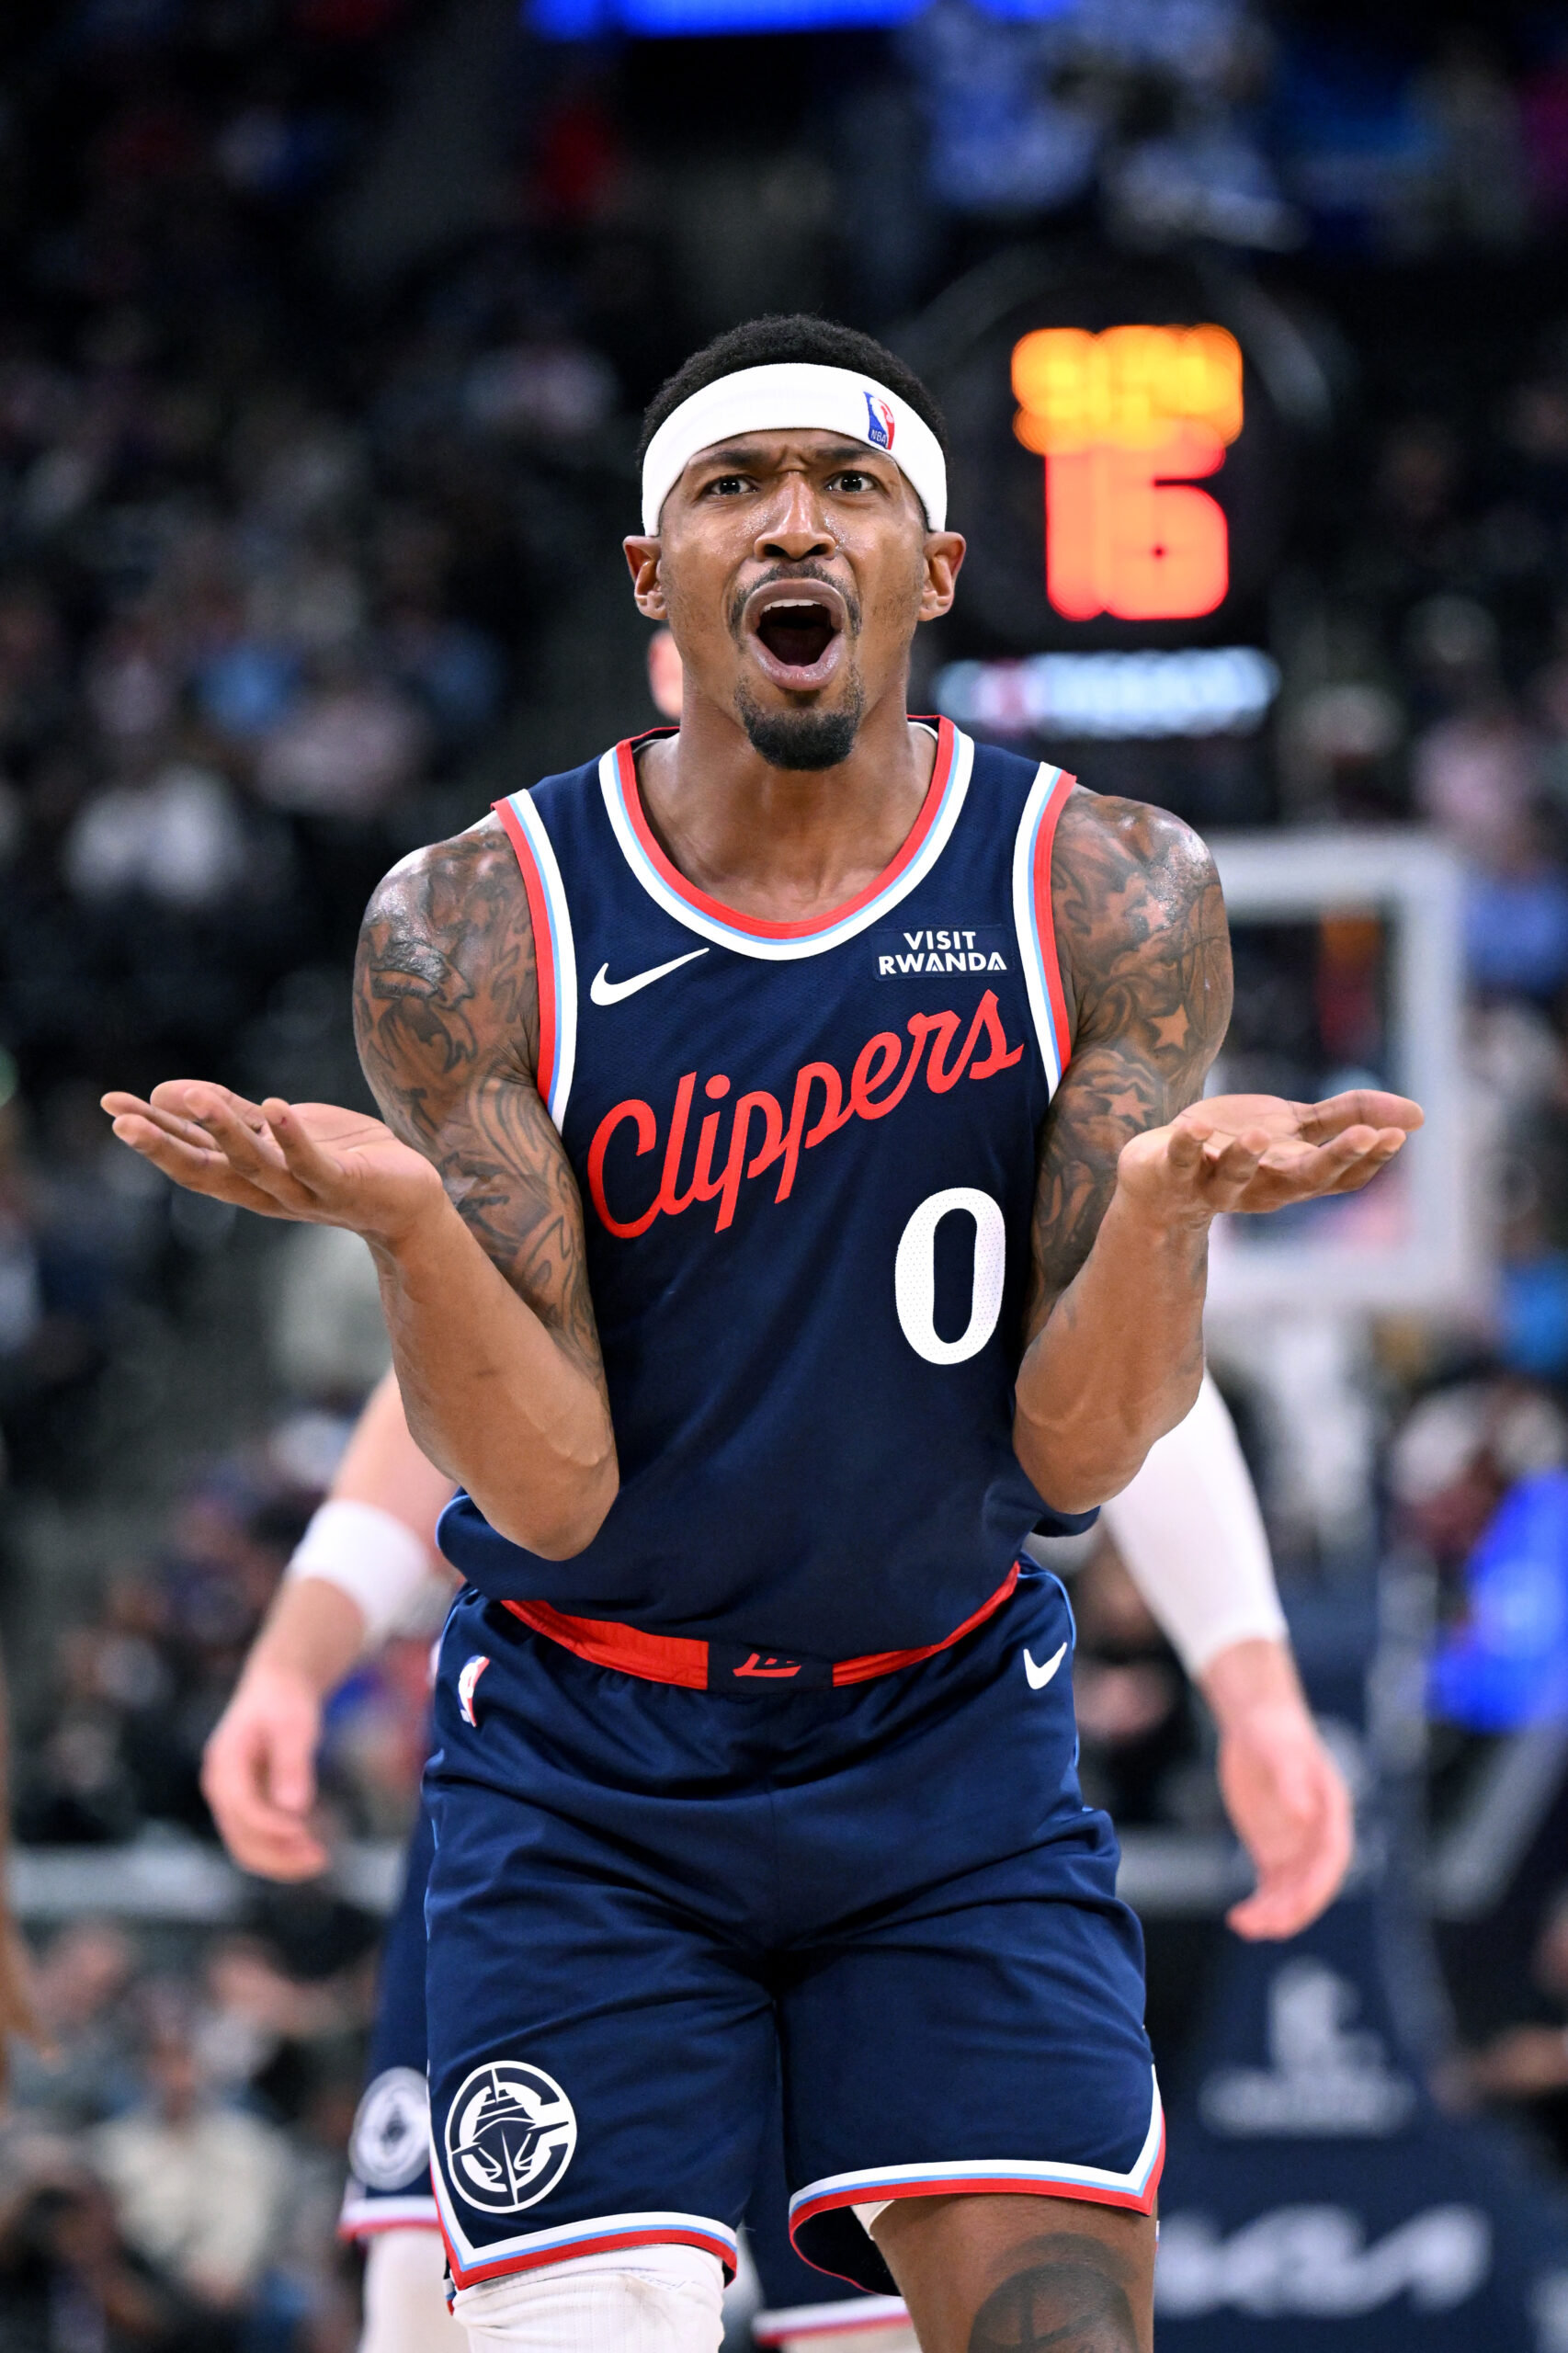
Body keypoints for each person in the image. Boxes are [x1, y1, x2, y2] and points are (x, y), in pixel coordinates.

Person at [107, 312, 1418, 2353]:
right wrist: (399, 1222)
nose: (791, 520)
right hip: (593, 1763)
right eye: (732, 484)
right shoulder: (475, 925)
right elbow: (540, 1481)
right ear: (655, 575)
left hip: (942, 1740)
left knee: (1066, 2324)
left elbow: (1078, 1455)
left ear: (932, 568)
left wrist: (1160, 1215)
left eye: (850, 484)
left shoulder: (1105, 893)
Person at [207, 1362, 1347, 2352]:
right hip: (569, 1769)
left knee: (897, 2304)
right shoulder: (571, 1111)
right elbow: (440, 1363)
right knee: (437, 2291)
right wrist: (289, 1666)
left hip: (901, 1755)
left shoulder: (983, 1115)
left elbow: (1123, 1338)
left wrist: (1254, 1692)